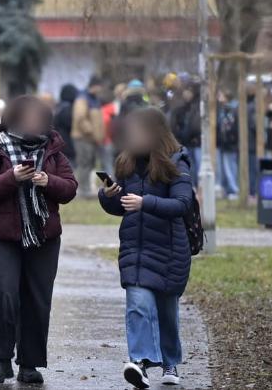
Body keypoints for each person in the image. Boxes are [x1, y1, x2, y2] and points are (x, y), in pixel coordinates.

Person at [0, 95, 77, 385]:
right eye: (28, 118)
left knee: (36, 298)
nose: (34, 124)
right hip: (3, 232)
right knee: (4, 292)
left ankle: (29, 364)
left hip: (44, 235)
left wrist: (48, 181)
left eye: (38, 119)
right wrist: (12, 177)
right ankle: (1, 359)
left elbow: (69, 189)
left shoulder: (54, 149)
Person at [98, 107, 192, 389]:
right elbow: (120, 207)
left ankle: (169, 360)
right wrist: (109, 195)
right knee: (137, 306)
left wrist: (145, 203)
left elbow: (182, 204)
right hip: (134, 249)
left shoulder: (177, 161)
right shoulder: (126, 162)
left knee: (166, 312)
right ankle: (139, 362)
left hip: (168, 250)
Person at [71, 76, 105, 196]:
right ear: (94, 86)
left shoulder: (94, 99)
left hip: (91, 140)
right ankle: (82, 190)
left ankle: (86, 188)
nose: (100, 89)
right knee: (84, 163)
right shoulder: (82, 98)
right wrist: (91, 131)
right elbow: (80, 118)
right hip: (83, 138)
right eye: (99, 86)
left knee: (89, 164)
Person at [170, 82, 201, 185]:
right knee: (190, 164)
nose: (186, 94)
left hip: (196, 141)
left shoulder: (197, 106)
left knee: (197, 164)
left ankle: (196, 184)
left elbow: (195, 124)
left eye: (189, 92)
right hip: (185, 140)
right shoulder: (182, 107)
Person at [216, 90, 239, 199]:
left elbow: (230, 127)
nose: (218, 97)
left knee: (230, 167)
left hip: (230, 144)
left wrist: (230, 138)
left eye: (220, 95)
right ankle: (228, 189)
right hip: (224, 143)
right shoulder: (222, 109)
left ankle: (234, 189)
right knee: (225, 167)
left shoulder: (232, 109)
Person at [54, 83, 78, 166]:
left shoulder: (58, 107)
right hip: (66, 142)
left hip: (59, 141)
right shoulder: (67, 108)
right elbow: (69, 123)